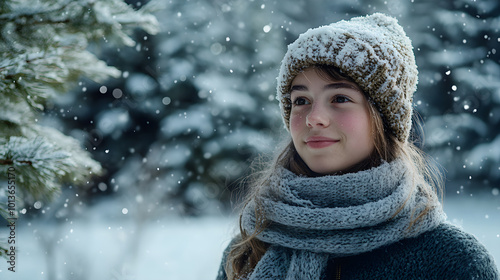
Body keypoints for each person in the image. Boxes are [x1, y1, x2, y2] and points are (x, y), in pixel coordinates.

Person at [215, 13, 499, 280]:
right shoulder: (247, 250)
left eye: (339, 98)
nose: (314, 118)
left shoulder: (451, 261)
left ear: (383, 119)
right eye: (301, 100)